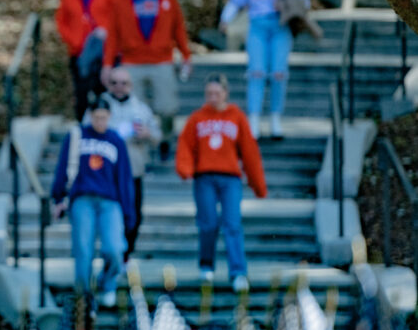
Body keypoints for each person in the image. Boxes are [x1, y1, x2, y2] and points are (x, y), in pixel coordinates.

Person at [175, 74, 267, 293]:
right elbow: (185, 145)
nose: (213, 97)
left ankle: (238, 271)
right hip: (204, 177)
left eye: (217, 93)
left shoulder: (237, 117)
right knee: (207, 223)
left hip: (230, 179)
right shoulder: (197, 118)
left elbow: (249, 152)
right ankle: (206, 266)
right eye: (209, 94)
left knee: (233, 224)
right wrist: (185, 168)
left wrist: (258, 185)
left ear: (225, 93)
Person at [102, 0, 192, 160]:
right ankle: (141, 154)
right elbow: (113, 33)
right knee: (135, 113)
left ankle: (165, 138)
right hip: (132, 61)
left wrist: (186, 55)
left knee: (168, 107)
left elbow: (178, 27)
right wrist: (107, 64)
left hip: (161, 59)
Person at [218, 0, 310, 140]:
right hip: (258, 27)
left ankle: (275, 120)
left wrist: (284, 3)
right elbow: (236, 1)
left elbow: (304, 1)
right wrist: (225, 19)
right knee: (256, 72)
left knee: (278, 73)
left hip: (280, 26)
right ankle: (254, 121)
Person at [50, 97, 135, 308]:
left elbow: (124, 178)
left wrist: (128, 210)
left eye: (104, 117)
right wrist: (58, 197)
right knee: (83, 250)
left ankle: (107, 283)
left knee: (114, 249)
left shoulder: (115, 140)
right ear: (90, 115)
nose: (100, 121)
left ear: (110, 117)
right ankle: (84, 297)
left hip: (109, 202)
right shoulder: (77, 136)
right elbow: (63, 167)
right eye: (96, 117)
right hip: (82, 199)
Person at [84, 67, 160, 260]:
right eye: (114, 83)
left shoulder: (140, 108)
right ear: (108, 84)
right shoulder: (99, 106)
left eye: (123, 83)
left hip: (133, 169)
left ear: (131, 85)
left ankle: (125, 254)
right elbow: (84, 132)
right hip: (104, 172)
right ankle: (108, 253)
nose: (119, 87)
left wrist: (147, 134)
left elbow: (158, 136)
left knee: (133, 213)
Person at [55, 0, 120, 121]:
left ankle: (106, 124)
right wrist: (75, 41)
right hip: (80, 52)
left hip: (104, 49)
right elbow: (61, 22)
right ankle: (83, 127)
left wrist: (106, 31)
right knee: (81, 92)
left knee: (104, 89)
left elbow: (119, 15)